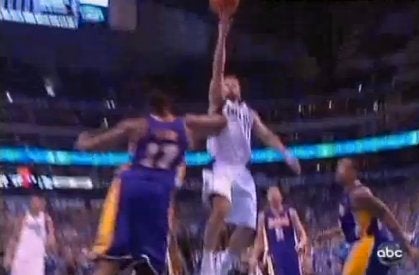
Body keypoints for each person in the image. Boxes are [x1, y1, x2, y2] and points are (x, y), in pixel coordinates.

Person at [75, 91, 227, 275]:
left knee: (113, 257)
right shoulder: (186, 125)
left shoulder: (139, 125)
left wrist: (84, 139)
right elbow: (221, 123)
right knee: (150, 263)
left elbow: (92, 145)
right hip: (159, 196)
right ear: (170, 105)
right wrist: (221, 99)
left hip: (131, 190)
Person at [200, 10, 301, 275]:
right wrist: (222, 33)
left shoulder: (249, 112)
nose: (230, 85)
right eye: (226, 83)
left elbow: (267, 135)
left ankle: (223, 267)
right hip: (222, 165)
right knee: (221, 208)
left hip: (242, 171)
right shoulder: (218, 104)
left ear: (240, 88)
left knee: (248, 227)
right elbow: (217, 67)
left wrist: (286, 154)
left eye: (234, 83)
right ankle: (206, 264)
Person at [335, 158, 418, 275]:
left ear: (353, 172)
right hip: (364, 248)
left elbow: (385, 214)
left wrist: (407, 246)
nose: (338, 170)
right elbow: (351, 226)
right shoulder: (348, 194)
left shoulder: (359, 194)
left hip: (371, 248)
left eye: (342, 167)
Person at [249, 186, 308, 275]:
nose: (276, 203)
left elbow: (302, 233)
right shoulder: (263, 216)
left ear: (281, 198)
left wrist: (301, 244)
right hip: (275, 253)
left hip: (291, 251)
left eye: (277, 200)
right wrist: (254, 256)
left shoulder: (290, 212)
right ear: (269, 201)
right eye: (273, 201)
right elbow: (259, 240)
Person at [5, 195, 55, 275]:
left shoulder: (46, 220)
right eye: (34, 201)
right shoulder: (23, 218)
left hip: (36, 262)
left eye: (38, 201)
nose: (36, 203)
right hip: (21, 260)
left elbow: (51, 242)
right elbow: (14, 238)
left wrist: (51, 233)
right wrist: (8, 256)